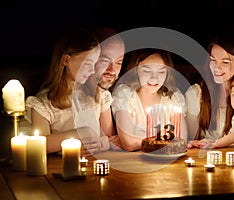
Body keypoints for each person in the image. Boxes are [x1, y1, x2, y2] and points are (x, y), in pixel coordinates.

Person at [24, 27, 110, 156]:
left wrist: (100, 144)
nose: (93, 70)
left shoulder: (99, 96)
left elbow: (109, 137)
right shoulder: (43, 104)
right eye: (87, 63)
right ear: (66, 60)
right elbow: (40, 144)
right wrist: (78, 137)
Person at [111, 48, 188, 152]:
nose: (154, 78)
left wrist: (138, 141)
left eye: (161, 72)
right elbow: (128, 144)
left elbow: (181, 141)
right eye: (147, 71)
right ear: (135, 69)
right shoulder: (125, 95)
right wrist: (165, 141)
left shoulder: (173, 98)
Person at [185, 32, 234, 149]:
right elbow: (191, 139)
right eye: (213, 60)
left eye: (225, 62)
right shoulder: (196, 93)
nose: (216, 67)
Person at [88, 27, 125, 149]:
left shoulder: (103, 96)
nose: (112, 71)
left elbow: (111, 141)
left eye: (118, 63)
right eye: (105, 61)